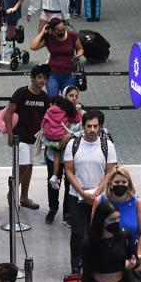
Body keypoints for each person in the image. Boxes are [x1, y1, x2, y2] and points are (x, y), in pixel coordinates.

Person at [65, 110, 117, 271]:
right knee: (78, 232)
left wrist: (97, 192)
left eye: (96, 126)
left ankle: (96, 262)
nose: (92, 130)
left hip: (99, 198)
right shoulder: (73, 144)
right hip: (77, 197)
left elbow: (110, 171)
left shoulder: (107, 146)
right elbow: (68, 171)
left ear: (101, 127)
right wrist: (82, 192)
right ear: (83, 126)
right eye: (89, 126)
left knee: (99, 232)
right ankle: (76, 264)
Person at [3, 64, 50, 210]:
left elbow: (46, 118)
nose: (42, 81)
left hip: (35, 139)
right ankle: (13, 191)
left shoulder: (44, 97)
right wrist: (10, 134)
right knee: (23, 165)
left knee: (29, 166)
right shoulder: (21, 93)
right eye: (40, 77)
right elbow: (8, 114)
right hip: (20, 137)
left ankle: (23, 198)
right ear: (33, 78)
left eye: (45, 78)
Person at [41, 86, 82, 225]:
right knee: (52, 182)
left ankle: (68, 213)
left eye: (76, 96)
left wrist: (69, 136)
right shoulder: (54, 113)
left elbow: (85, 132)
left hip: (72, 157)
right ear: (65, 97)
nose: (74, 98)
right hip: (54, 155)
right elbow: (45, 135)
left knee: (70, 184)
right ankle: (53, 209)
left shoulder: (81, 114)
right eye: (71, 95)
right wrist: (58, 145)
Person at [29, 17, 83, 96]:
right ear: (52, 31)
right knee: (52, 99)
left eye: (63, 30)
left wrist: (78, 55)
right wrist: (43, 32)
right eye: (59, 31)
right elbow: (33, 47)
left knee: (68, 101)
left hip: (70, 74)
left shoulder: (72, 36)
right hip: (52, 75)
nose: (62, 32)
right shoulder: (49, 38)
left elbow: (80, 48)